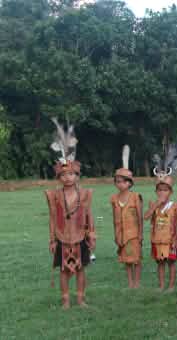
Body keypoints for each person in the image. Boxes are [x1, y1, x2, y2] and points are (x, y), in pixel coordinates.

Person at [44, 118, 95, 309]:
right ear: (59, 177)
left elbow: (89, 215)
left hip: (80, 236)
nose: (67, 177)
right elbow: (51, 218)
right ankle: (66, 299)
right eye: (63, 175)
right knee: (64, 270)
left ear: (77, 175)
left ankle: (81, 298)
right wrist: (52, 239)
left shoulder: (85, 194)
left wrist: (91, 234)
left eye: (71, 174)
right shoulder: (54, 196)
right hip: (62, 238)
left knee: (81, 269)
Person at [111, 145, 143, 289]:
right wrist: (116, 234)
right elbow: (114, 219)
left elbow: (140, 218)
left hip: (134, 234)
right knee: (126, 261)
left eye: (123, 181)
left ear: (129, 183)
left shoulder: (136, 197)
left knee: (135, 259)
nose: (120, 184)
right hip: (122, 235)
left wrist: (141, 234)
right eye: (117, 181)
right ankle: (130, 283)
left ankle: (137, 283)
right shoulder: (113, 199)